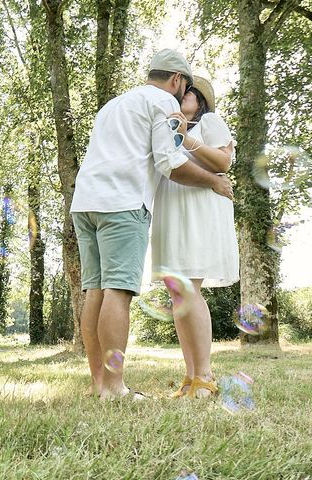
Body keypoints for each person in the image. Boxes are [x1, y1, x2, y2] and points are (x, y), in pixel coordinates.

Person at [70, 49, 233, 400]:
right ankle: (114, 389)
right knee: (117, 290)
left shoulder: (114, 104)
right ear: (176, 80)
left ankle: (99, 384)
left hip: (85, 203)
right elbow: (169, 162)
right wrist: (212, 181)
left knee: (95, 291)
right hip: (122, 204)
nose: (182, 94)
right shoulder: (161, 101)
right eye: (184, 86)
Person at [150, 76, 239, 399]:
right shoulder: (165, 128)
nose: (180, 96)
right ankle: (189, 378)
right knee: (178, 295)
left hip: (199, 210)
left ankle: (205, 376)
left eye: (187, 92)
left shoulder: (209, 122)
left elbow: (223, 161)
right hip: (171, 208)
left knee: (191, 289)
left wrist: (187, 139)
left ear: (200, 100)